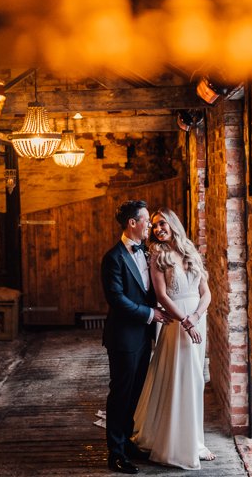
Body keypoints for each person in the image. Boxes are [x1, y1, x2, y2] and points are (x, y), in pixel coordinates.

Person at [131, 207, 214, 470]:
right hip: (177, 323)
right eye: (154, 225)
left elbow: (206, 292)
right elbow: (162, 297)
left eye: (162, 223)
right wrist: (186, 321)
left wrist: (198, 315)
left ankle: (196, 441)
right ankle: (176, 442)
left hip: (197, 321)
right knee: (179, 379)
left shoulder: (190, 251)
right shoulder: (157, 255)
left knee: (196, 380)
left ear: (173, 224)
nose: (158, 229)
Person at [101, 200, 171, 474]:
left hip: (144, 337)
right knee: (121, 393)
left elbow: (150, 290)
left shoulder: (147, 251)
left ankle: (127, 442)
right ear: (133, 223)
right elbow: (116, 299)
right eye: (146, 221)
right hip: (123, 338)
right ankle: (115, 453)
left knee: (137, 392)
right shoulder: (113, 258)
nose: (150, 227)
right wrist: (150, 314)